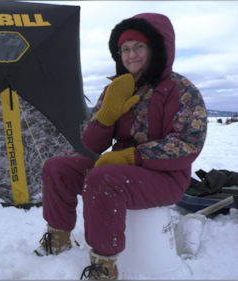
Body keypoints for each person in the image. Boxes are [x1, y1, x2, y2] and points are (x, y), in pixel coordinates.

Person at [33, 13, 207, 280]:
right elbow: (92, 143)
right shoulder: (116, 88)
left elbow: (187, 144)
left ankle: (104, 264)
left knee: (102, 178)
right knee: (57, 167)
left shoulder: (180, 89)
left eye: (139, 47)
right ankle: (58, 239)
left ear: (157, 48)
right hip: (119, 172)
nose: (131, 55)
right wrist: (106, 116)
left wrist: (131, 157)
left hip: (167, 177)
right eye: (124, 49)